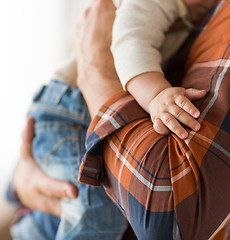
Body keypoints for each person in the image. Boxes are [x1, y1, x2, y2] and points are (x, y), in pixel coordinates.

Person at [13, 0, 230, 239]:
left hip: (73, 111)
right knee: (92, 215)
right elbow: (129, 37)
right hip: (70, 110)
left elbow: (168, 222)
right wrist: (17, 187)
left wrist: (97, 71)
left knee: (84, 214)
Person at [7, 0, 214, 239]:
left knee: (79, 205)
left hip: (70, 105)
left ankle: (34, 230)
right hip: (74, 107)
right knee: (97, 214)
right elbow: (130, 43)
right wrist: (156, 95)